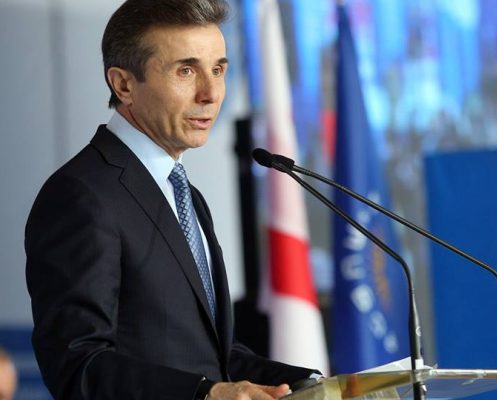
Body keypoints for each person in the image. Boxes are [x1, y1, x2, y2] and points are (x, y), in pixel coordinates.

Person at [25, 1, 319, 399]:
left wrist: (314, 383)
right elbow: (78, 366)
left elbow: (212, 358)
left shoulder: (183, 193)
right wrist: (205, 394)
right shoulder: (81, 195)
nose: (210, 93)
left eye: (218, 69)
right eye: (186, 70)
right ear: (124, 85)